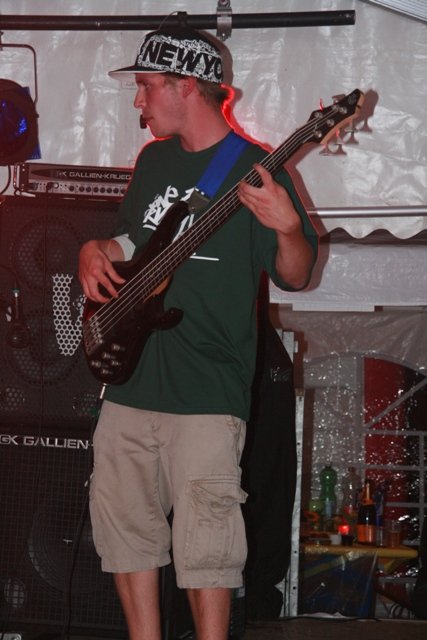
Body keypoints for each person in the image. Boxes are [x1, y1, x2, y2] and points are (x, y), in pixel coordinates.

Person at [78, 25, 318, 640]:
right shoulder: (153, 161)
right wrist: (95, 248)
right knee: (126, 533)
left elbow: (295, 275)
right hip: (131, 381)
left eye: (146, 86)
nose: (138, 101)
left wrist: (289, 228)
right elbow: (134, 242)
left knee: (209, 543)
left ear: (187, 86)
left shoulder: (255, 168)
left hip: (209, 389)